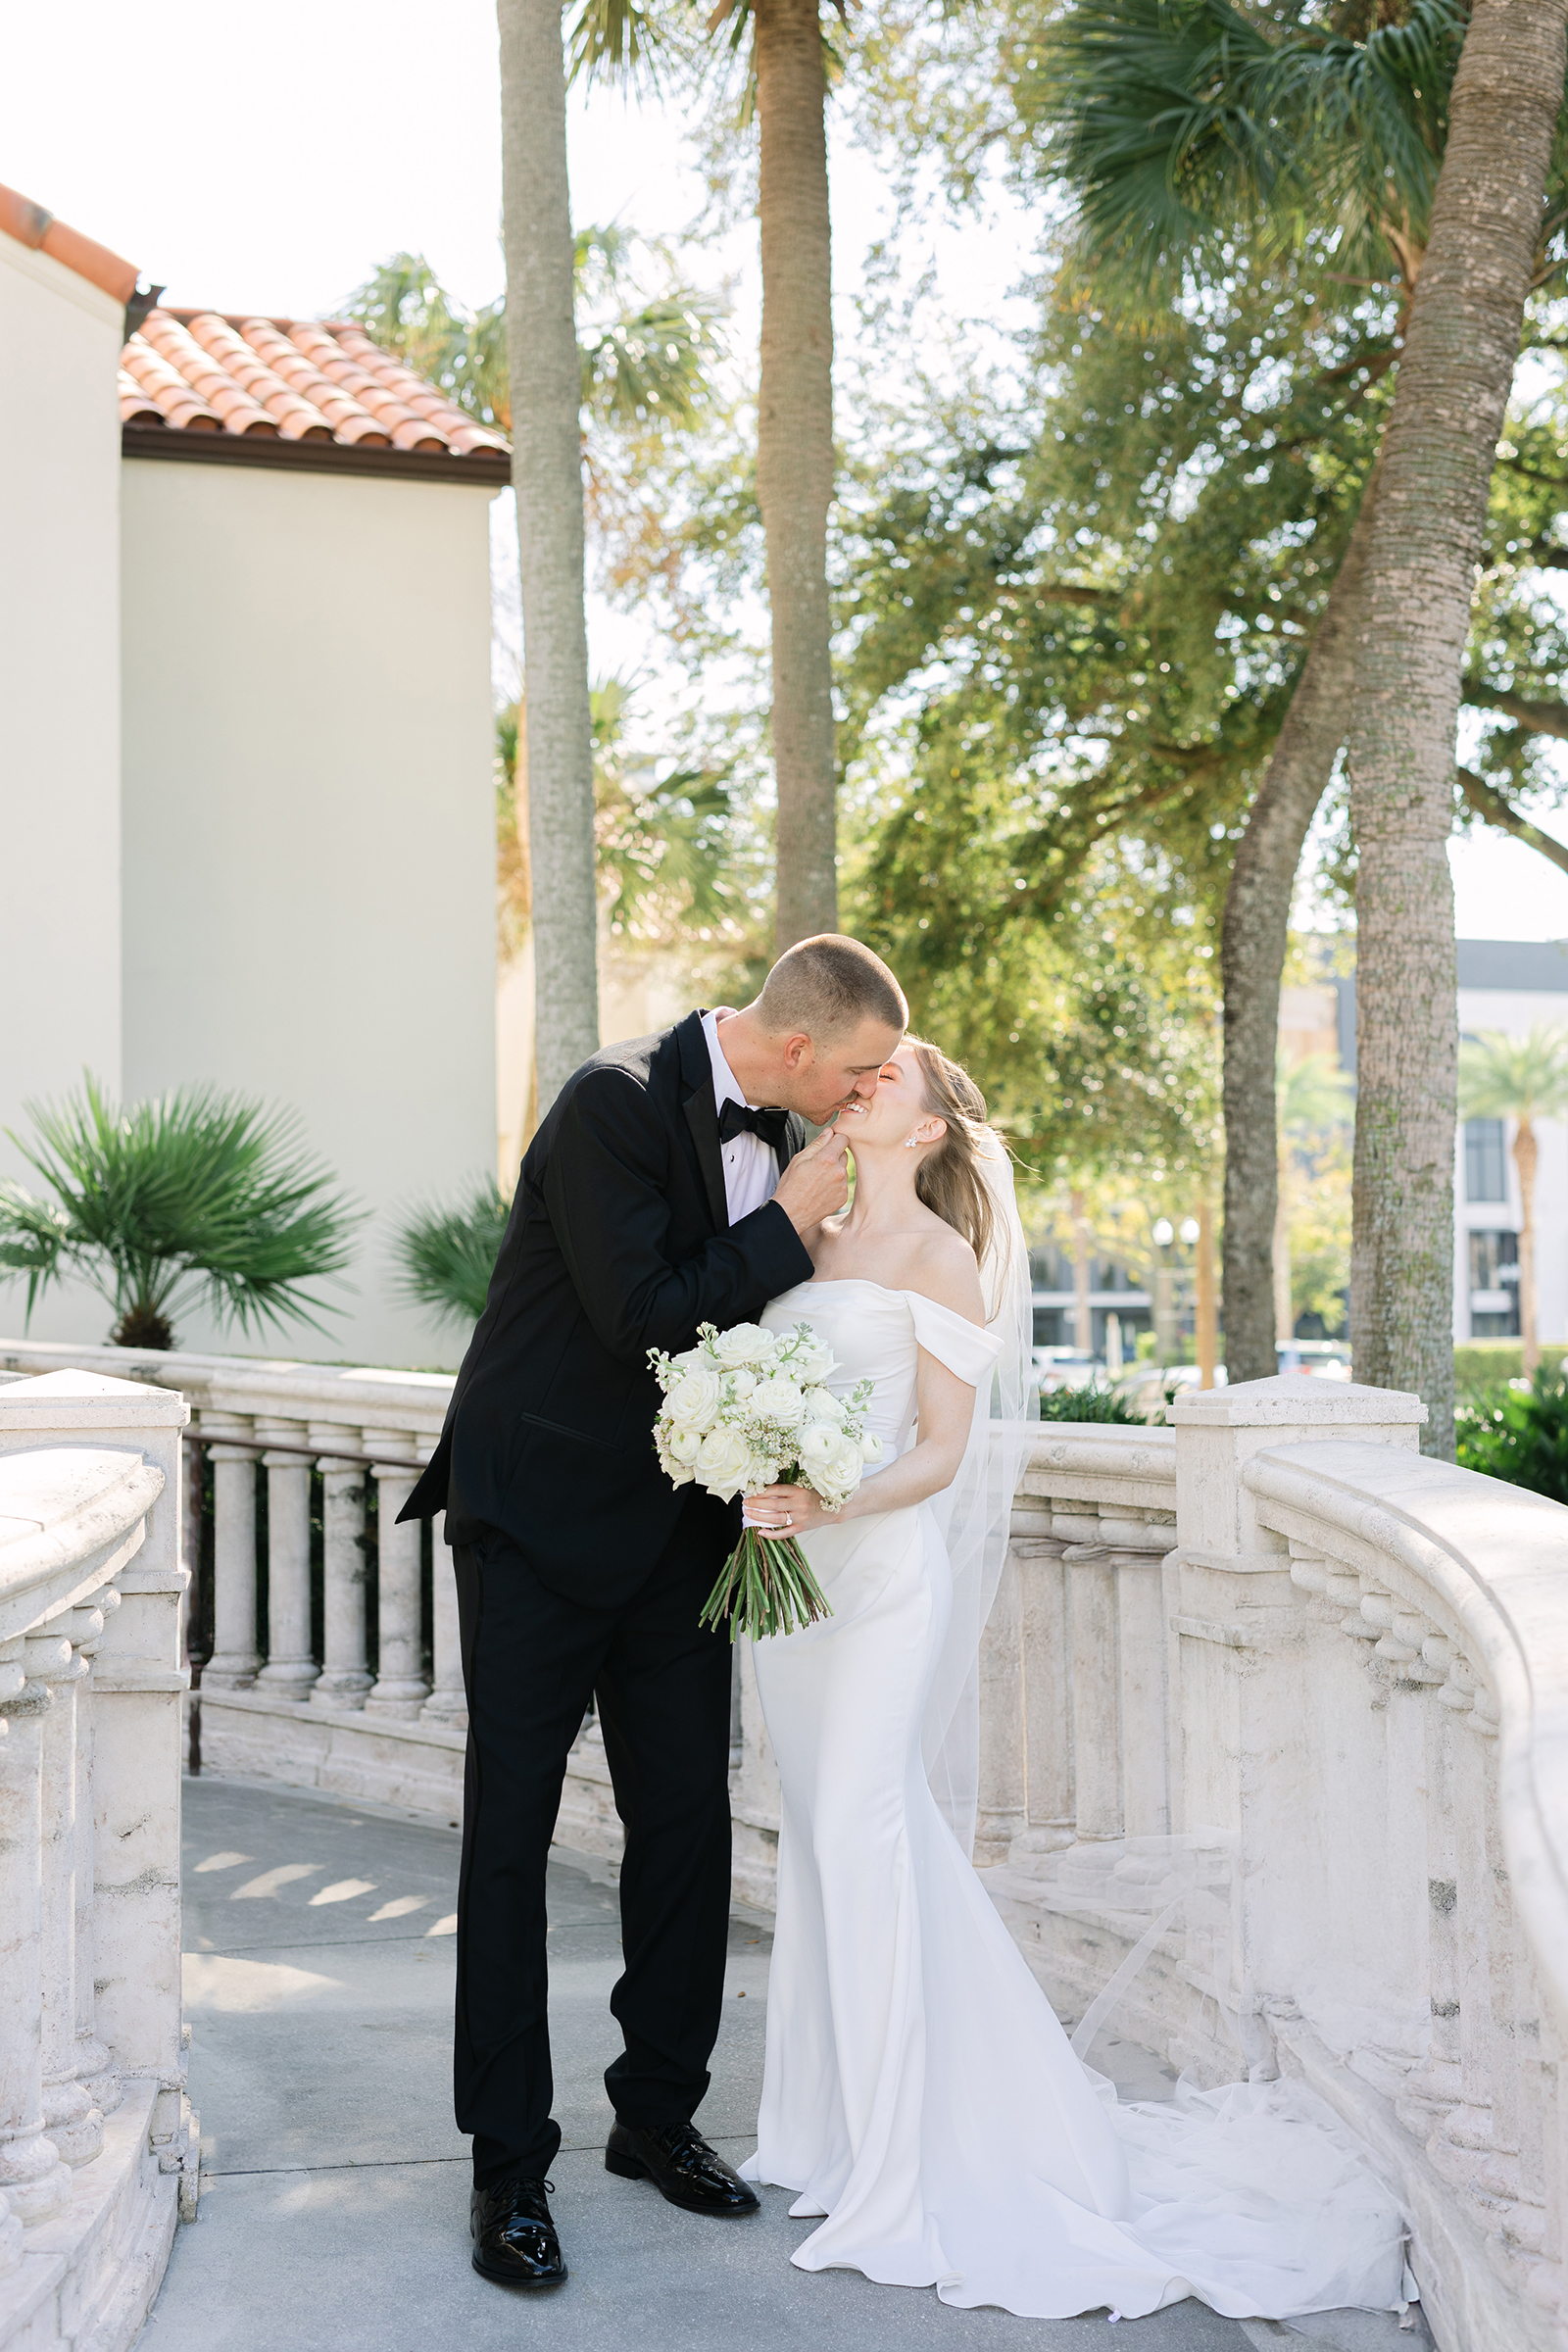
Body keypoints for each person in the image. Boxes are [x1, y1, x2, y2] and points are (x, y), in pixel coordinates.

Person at [737, 1038, 1412, 2324]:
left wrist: (832, 1503)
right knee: (819, 1850)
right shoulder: (807, 1237)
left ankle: (904, 2164)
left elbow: (940, 1453)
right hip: (794, 1599)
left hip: (875, 1583)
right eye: (863, 1072)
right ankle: (826, 2136)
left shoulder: (938, 1258)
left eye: (893, 1078)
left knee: (864, 1829)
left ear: (933, 1130)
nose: (865, 1082)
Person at [397, 935, 907, 2289]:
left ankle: (658, 2114)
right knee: (508, 1838)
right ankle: (509, 2161)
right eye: (857, 1069)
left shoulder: (801, 1139)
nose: (866, 1094)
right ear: (798, 1048)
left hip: (684, 1529)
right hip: (539, 1519)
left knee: (684, 1826)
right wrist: (786, 1224)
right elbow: (643, 1315)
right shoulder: (610, 1101)